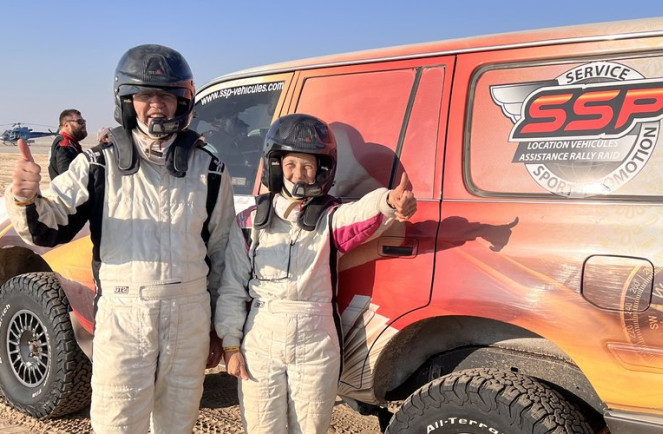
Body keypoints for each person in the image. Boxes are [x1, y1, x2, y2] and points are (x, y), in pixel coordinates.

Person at [5, 44, 250, 433]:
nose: (156, 105)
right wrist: (25, 197)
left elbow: (223, 253)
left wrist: (224, 330)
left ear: (183, 100)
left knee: (178, 423)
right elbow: (48, 227)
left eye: (167, 95)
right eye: (145, 95)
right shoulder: (98, 164)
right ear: (127, 100)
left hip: (189, 316)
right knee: (117, 423)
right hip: (124, 315)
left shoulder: (210, 170)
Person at [215, 113, 417, 433]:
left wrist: (389, 202)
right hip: (260, 338)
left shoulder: (330, 218)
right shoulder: (249, 221)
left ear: (322, 171)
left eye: (308, 166)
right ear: (275, 166)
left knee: (311, 427)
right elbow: (232, 289)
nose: (299, 174)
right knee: (261, 426)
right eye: (291, 164)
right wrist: (231, 346)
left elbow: (361, 214)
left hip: (316, 342)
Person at [48, 109, 87, 179]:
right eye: (80, 122)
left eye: (83, 121)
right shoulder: (65, 145)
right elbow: (66, 177)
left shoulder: (71, 143)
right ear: (66, 125)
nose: (83, 124)